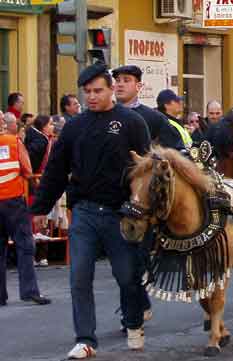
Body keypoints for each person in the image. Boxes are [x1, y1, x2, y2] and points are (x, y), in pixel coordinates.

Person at [30, 63, 151, 359]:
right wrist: (40, 208)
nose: (93, 97)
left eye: (98, 91)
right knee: (79, 276)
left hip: (119, 213)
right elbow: (56, 170)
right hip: (83, 212)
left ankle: (134, 322)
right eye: (87, 92)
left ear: (111, 90)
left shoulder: (131, 122)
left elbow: (147, 169)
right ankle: (86, 340)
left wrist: (142, 209)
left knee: (126, 276)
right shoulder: (74, 126)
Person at [0, 110, 50, 308]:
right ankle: (29, 292)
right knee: (25, 246)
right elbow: (27, 170)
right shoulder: (13, 142)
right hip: (13, 201)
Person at [112, 65, 186, 151]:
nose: (120, 84)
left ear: (138, 86)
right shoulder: (106, 114)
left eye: (126, 80)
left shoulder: (154, 117)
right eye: (117, 81)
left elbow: (176, 150)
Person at [25, 115, 54, 267]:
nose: (53, 127)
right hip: (34, 183)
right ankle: (36, 255)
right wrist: (34, 178)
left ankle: (40, 255)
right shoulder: (40, 141)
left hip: (37, 183)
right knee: (36, 219)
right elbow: (30, 163)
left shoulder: (39, 138)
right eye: (50, 124)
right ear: (43, 126)